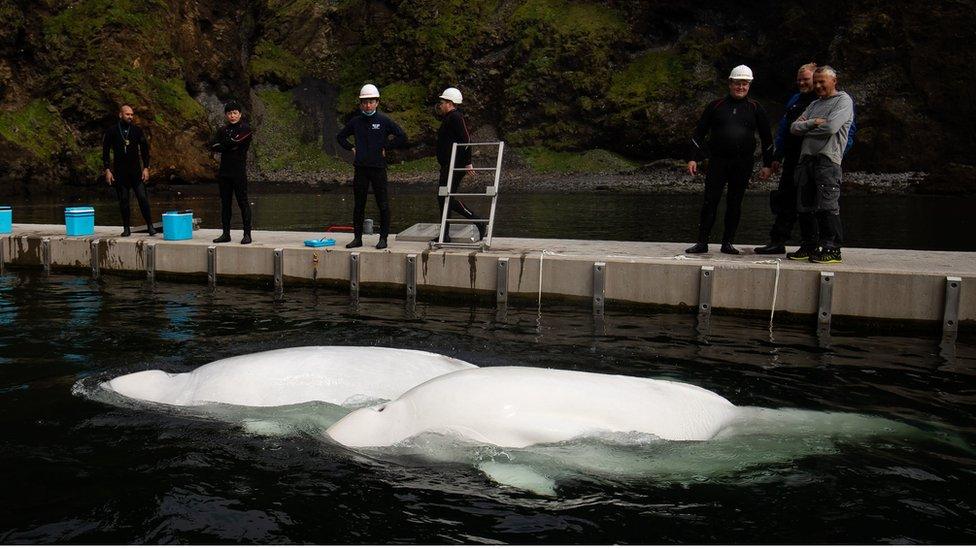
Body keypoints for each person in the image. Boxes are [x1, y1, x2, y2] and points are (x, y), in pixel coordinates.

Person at [686, 65, 773, 255]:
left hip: (742, 163)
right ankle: (702, 242)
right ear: (730, 83)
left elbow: (767, 138)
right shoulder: (715, 106)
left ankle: (728, 242)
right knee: (710, 201)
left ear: (749, 85)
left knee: (735, 202)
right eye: (737, 83)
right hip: (717, 161)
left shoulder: (755, 108)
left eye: (745, 84)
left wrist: (767, 164)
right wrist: (693, 158)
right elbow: (698, 134)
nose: (741, 87)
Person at [788, 65, 855, 263]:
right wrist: (812, 123)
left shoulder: (843, 100)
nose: (817, 86)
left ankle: (832, 248)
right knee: (805, 206)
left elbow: (832, 127)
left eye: (821, 82)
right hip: (806, 160)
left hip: (827, 160)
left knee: (827, 205)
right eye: (815, 82)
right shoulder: (814, 104)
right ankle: (809, 245)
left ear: (834, 81)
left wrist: (808, 128)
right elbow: (794, 127)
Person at [754, 63, 818, 254]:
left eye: (806, 79)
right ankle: (777, 241)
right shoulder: (795, 100)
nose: (801, 83)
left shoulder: (824, 101)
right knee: (784, 200)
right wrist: (777, 155)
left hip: (812, 159)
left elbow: (845, 132)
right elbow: (783, 129)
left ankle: (810, 244)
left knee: (809, 202)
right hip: (791, 157)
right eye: (799, 79)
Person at [336, 84, 407, 250]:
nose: (368, 105)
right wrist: (351, 148)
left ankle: (383, 238)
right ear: (361, 104)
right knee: (359, 204)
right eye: (365, 102)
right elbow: (340, 137)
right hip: (361, 168)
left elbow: (402, 136)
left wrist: (386, 147)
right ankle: (357, 238)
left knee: (382, 204)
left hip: (378, 168)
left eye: (371, 102)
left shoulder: (383, 121)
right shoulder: (356, 122)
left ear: (377, 103)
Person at [434, 87, 483, 243]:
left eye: (442, 102)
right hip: (448, 165)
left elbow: (466, 139)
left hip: (455, 165)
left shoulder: (455, 117)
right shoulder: (448, 118)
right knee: (444, 197)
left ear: (449, 103)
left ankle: (476, 219)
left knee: (445, 197)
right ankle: (445, 233)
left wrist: (467, 162)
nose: (439, 105)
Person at [102, 104, 154, 237]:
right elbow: (106, 151)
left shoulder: (137, 130)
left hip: (136, 172)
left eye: (132, 114)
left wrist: (146, 168)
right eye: (127, 114)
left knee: (143, 198)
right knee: (124, 201)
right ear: (121, 115)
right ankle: (126, 228)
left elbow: (144, 150)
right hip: (120, 173)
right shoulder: (112, 131)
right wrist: (107, 169)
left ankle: (150, 226)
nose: (130, 117)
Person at [209, 100, 254, 244]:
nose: (232, 116)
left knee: (243, 202)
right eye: (229, 113)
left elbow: (236, 142)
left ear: (240, 114)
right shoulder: (222, 130)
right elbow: (213, 145)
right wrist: (228, 145)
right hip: (224, 172)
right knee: (225, 203)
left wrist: (225, 145)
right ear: (226, 115)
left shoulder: (245, 128)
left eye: (235, 113)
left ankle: (247, 234)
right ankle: (226, 233)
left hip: (238, 171)